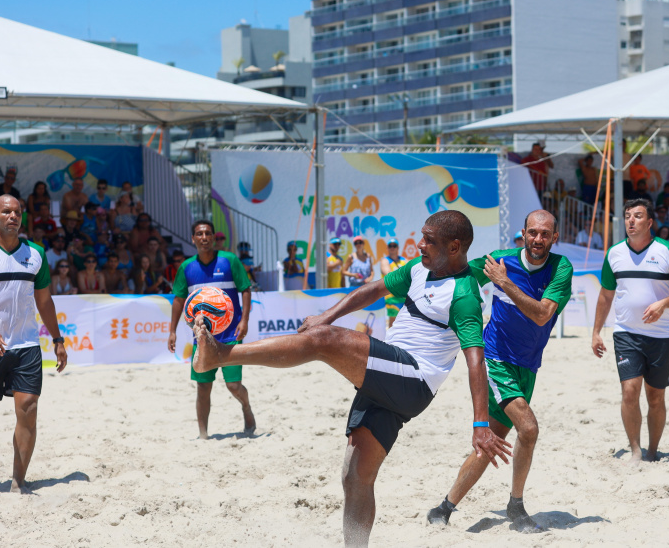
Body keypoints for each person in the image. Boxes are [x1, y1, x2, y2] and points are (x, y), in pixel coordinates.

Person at [190, 210, 511, 546]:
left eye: (430, 240)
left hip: (412, 379)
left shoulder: (464, 295)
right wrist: (325, 315)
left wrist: (479, 424)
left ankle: (221, 355)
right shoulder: (420, 269)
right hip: (391, 374)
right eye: (422, 236)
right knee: (355, 476)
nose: (420, 244)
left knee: (324, 341)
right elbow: (373, 289)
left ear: (455, 247)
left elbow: (475, 360)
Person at [426, 210, 571, 533]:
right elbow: (456, 271)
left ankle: (443, 507)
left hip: (528, 367)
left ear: (554, 237)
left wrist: (504, 283)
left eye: (545, 234)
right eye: (532, 232)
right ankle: (516, 506)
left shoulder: (561, 268)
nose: (538, 239)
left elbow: (543, 315)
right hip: (495, 359)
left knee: (491, 440)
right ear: (523, 233)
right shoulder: (499, 261)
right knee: (529, 429)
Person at [0, 194, 67, 493]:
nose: (13, 216)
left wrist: (58, 340)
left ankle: (18, 482)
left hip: (27, 346)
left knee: (29, 408)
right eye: (6, 212)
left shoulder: (36, 254)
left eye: (17, 212)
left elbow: (44, 301)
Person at [591, 199, 669, 464]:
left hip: (661, 336)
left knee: (656, 396)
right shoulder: (614, 253)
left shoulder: (667, 251)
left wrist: (664, 303)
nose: (631, 221)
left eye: (637, 216)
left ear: (650, 223)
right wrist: (596, 332)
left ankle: (652, 450)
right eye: (627, 216)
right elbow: (605, 295)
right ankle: (635, 450)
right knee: (629, 391)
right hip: (626, 333)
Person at [167, 220, 255, 440]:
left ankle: (246, 407)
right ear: (193, 238)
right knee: (203, 387)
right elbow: (178, 299)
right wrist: (172, 331)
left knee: (234, 386)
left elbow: (245, 289)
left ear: (214, 237)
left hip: (231, 335)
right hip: (202, 337)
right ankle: (203, 435)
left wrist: (244, 320)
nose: (204, 237)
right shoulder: (187, 267)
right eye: (199, 233)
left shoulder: (230, 260)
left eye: (207, 233)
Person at [379, 238, 407, 328]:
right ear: (387, 248)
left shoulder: (404, 260)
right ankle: (390, 342)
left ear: (398, 247)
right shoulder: (385, 260)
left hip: (405, 298)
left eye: (394, 245)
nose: (392, 248)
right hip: (391, 297)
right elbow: (389, 275)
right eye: (390, 246)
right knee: (393, 323)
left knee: (405, 323)